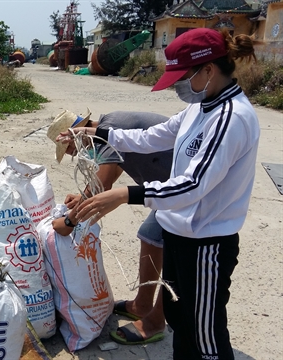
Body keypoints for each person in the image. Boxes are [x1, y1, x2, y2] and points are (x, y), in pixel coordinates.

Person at [63, 28, 259, 360]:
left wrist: (127, 194)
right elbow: (154, 136)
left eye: (184, 77)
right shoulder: (201, 106)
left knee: (206, 335)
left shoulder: (231, 118)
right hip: (179, 235)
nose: (180, 87)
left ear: (209, 70)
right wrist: (96, 132)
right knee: (181, 321)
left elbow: (192, 185)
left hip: (206, 245)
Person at [56, 111, 172, 345]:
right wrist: (81, 198)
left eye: (71, 149)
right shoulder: (113, 129)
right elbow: (108, 175)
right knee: (150, 236)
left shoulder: (111, 129)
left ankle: (156, 321)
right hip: (168, 193)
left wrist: (68, 222)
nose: (76, 154)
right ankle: (141, 305)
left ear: (78, 132)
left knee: (178, 256)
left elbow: (102, 186)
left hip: (186, 192)